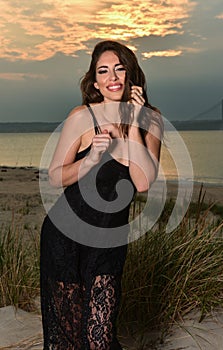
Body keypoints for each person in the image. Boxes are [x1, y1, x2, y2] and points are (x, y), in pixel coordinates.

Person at [40, 40, 162, 349]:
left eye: (120, 68)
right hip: (64, 238)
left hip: (108, 242)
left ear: (131, 74)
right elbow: (56, 175)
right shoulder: (82, 116)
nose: (113, 77)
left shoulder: (151, 120)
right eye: (104, 71)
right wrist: (90, 160)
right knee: (69, 340)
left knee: (99, 338)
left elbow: (143, 181)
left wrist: (133, 127)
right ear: (95, 82)